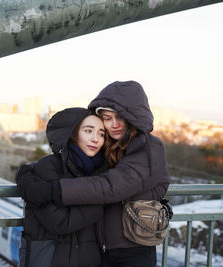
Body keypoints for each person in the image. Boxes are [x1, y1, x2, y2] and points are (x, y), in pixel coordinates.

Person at [17, 81, 170, 267]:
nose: (114, 125)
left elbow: (110, 187)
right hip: (102, 252)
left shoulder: (148, 147)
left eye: (120, 117)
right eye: (107, 117)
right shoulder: (112, 148)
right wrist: (28, 173)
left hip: (131, 251)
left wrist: (52, 190)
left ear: (134, 117)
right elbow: (68, 162)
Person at [18, 107, 107, 267]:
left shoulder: (101, 171)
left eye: (101, 134)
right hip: (50, 260)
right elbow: (60, 222)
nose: (96, 139)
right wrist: (104, 201)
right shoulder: (48, 167)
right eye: (88, 131)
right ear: (72, 134)